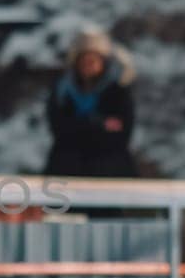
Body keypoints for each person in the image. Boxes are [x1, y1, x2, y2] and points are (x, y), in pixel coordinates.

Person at [44, 27, 138, 178]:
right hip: (67, 170)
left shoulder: (117, 92)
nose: (89, 65)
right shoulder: (62, 91)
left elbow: (122, 134)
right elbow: (59, 130)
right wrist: (99, 124)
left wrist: (79, 126)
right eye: (84, 60)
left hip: (111, 172)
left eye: (94, 60)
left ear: (103, 62)